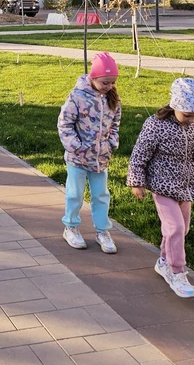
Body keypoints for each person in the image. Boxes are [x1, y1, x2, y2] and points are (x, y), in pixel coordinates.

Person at [126, 78, 194, 299]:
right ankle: (177, 273)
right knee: (175, 228)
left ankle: (164, 262)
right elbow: (139, 154)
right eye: (187, 115)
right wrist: (136, 181)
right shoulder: (155, 125)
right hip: (162, 185)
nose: (192, 120)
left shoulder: (192, 126)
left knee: (182, 229)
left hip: (185, 186)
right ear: (174, 105)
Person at [57, 52, 122, 253]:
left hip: (100, 159)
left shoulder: (113, 99)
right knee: (75, 194)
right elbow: (64, 124)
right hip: (78, 158)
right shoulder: (77, 97)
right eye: (105, 82)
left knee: (101, 195)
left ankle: (102, 231)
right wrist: (76, 146)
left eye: (112, 82)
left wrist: (111, 142)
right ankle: (71, 227)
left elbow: (115, 124)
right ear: (93, 78)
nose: (109, 86)